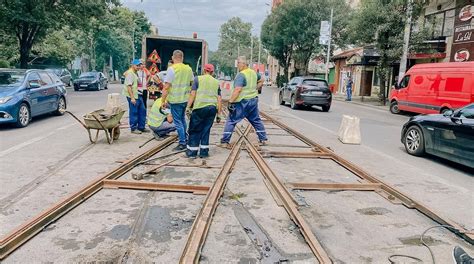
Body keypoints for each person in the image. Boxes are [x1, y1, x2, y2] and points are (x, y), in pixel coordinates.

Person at [219, 56, 267, 147]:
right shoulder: (253, 73)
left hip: (242, 102)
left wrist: (231, 101)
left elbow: (238, 89)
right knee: (256, 120)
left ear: (243, 64)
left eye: (239, 64)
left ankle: (225, 141)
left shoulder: (241, 75)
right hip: (253, 100)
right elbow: (262, 80)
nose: (238, 66)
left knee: (231, 120)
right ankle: (263, 139)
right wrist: (256, 88)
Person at [185, 63, 222, 158]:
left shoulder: (198, 79)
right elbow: (219, 99)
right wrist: (219, 114)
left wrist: (188, 107)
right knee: (206, 130)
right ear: (212, 72)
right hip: (212, 109)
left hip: (200, 108)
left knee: (194, 130)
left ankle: (192, 153)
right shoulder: (216, 82)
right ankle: (204, 152)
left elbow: (193, 94)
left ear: (204, 70)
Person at [161, 50, 194, 150]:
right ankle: (186, 138)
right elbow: (192, 83)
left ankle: (182, 143)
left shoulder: (172, 69)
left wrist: (163, 101)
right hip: (185, 100)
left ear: (173, 57)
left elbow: (166, 87)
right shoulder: (188, 69)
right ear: (182, 58)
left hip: (175, 100)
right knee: (183, 119)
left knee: (178, 122)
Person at [122, 59, 149, 134]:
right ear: (133, 65)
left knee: (142, 110)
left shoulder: (135, 72)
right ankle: (133, 128)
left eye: (139, 65)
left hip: (138, 94)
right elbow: (129, 86)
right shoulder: (130, 73)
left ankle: (141, 127)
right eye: (137, 65)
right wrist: (132, 98)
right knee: (134, 111)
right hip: (133, 96)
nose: (139, 67)